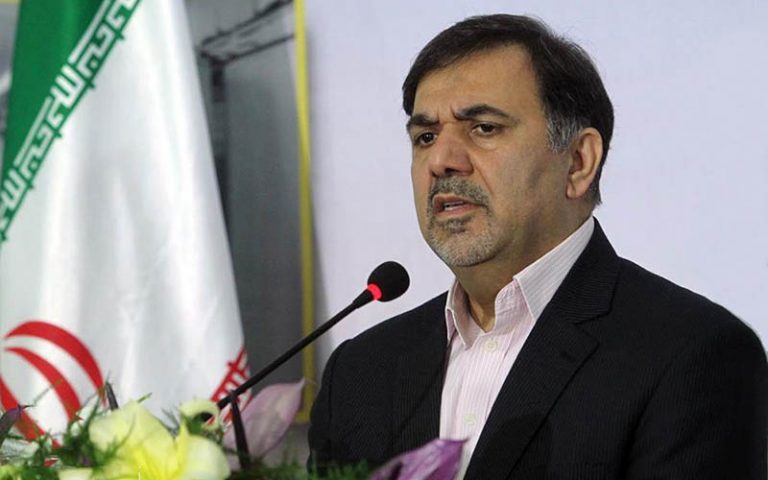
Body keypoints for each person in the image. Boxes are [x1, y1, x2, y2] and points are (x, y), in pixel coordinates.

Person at [308, 14, 767, 479]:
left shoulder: (693, 355)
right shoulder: (360, 372)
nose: (441, 160)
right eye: (425, 137)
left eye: (484, 128)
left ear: (579, 162)